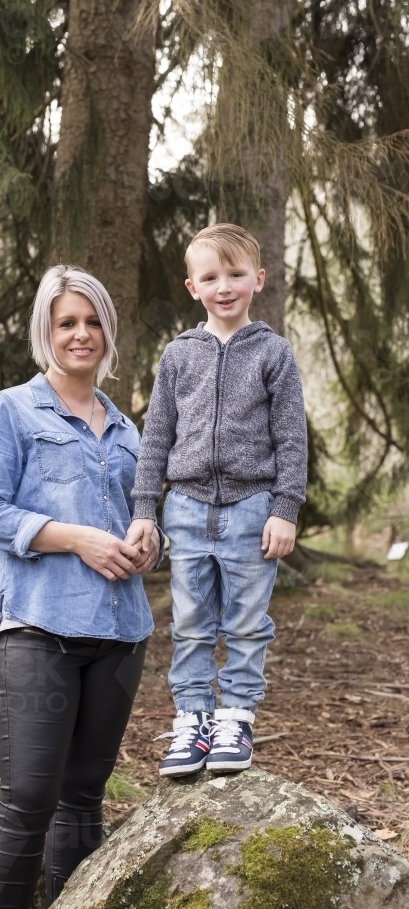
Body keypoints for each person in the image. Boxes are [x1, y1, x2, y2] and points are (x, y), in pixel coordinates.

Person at [0, 265, 161, 909]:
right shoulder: (12, 410)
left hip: (120, 634)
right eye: (66, 322)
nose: (82, 334)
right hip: (37, 630)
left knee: (83, 799)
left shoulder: (127, 428)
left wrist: (148, 539)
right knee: (27, 800)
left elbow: (139, 517)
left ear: (108, 330)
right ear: (46, 333)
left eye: (92, 321)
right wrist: (76, 538)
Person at [126, 223, 307, 776]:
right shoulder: (179, 354)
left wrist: (284, 509)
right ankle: (193, 722)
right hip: (184, 508)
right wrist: (144, 511)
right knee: (192, 623)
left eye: (235, 274)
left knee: (248, 622)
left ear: (259, 278)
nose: (224, 286)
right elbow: (156, 436)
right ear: (192, 287)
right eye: (211, 277)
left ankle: (236, 720)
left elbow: (291, 437)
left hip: (253, 508)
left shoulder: (273, 353)